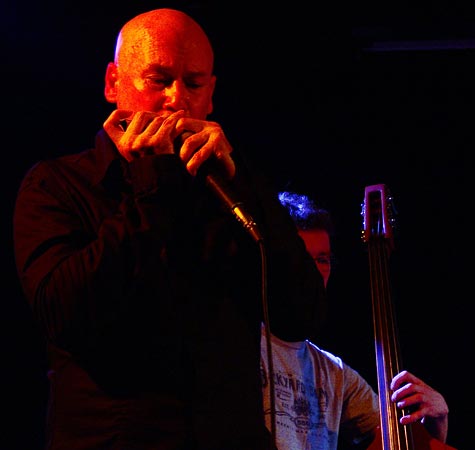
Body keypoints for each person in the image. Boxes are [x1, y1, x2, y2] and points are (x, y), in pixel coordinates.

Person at [12, 8, 327, 450]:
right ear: (113, 83)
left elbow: (301, 315)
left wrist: (242, 184)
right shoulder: (57, 184)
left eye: (193, 84)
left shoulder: (232, 186)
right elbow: (65, 315)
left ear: (210, 95)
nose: (176, 99)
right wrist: (153, 187)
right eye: (158, 80)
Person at [261, 191, 455, 449]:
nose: (315, 273)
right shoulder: (238, 344)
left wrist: (436, 419)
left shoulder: (335, 373)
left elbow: (398, 441)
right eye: (304, 259)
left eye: (322, 260)